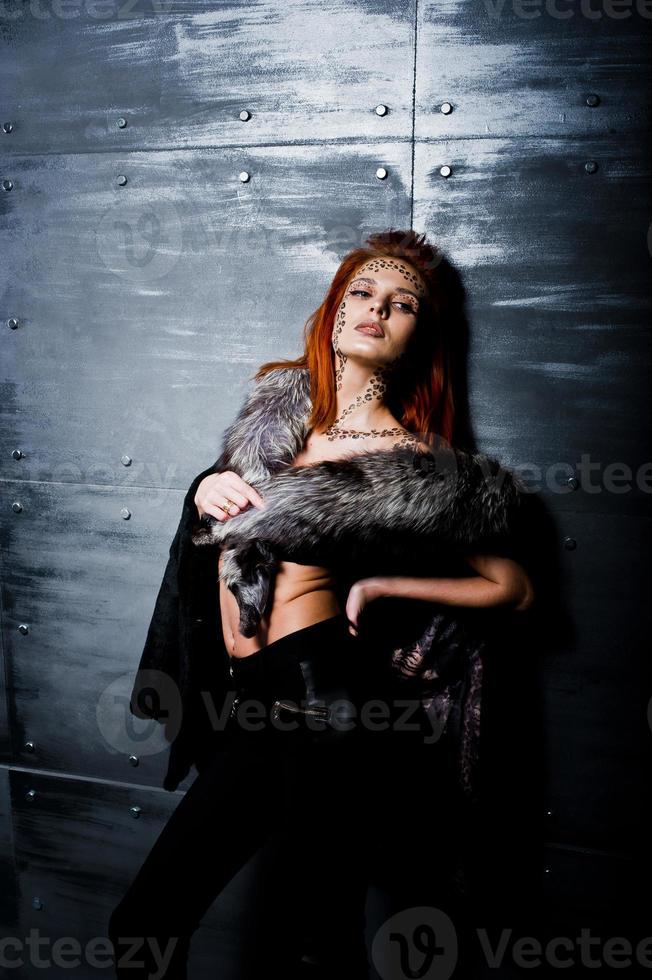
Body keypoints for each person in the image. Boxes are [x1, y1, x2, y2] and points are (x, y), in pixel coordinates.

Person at [108, 229, 534, 979]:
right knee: (148, 926)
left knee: (308, 943)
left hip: (324, 698)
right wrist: (204, 488)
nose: (376, 310)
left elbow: (515, 587)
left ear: (417, 335)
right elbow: (226, 525)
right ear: (336, 309)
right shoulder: (274, 416)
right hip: (254, 701)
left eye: (400, 304)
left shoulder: (416, 460)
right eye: (362, 293)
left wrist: (380, 584)